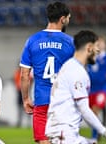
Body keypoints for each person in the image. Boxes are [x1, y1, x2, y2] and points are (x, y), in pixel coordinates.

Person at [45, 30, 106, 144]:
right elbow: (84, 109)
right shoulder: (76, 71)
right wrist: (105, 132)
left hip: (63, 131)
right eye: (96, 46)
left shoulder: (70, 66)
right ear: (89, 47)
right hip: (63, 132)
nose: (98, 50)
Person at [19, 1, 74, 144]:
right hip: (63, 101)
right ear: (63, 19)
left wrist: (25, 99)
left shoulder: (32, 40)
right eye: (68, 17)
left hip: (42, 100)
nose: (69, 20)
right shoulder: (71, 42)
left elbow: (24, 75)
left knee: (43, 141)